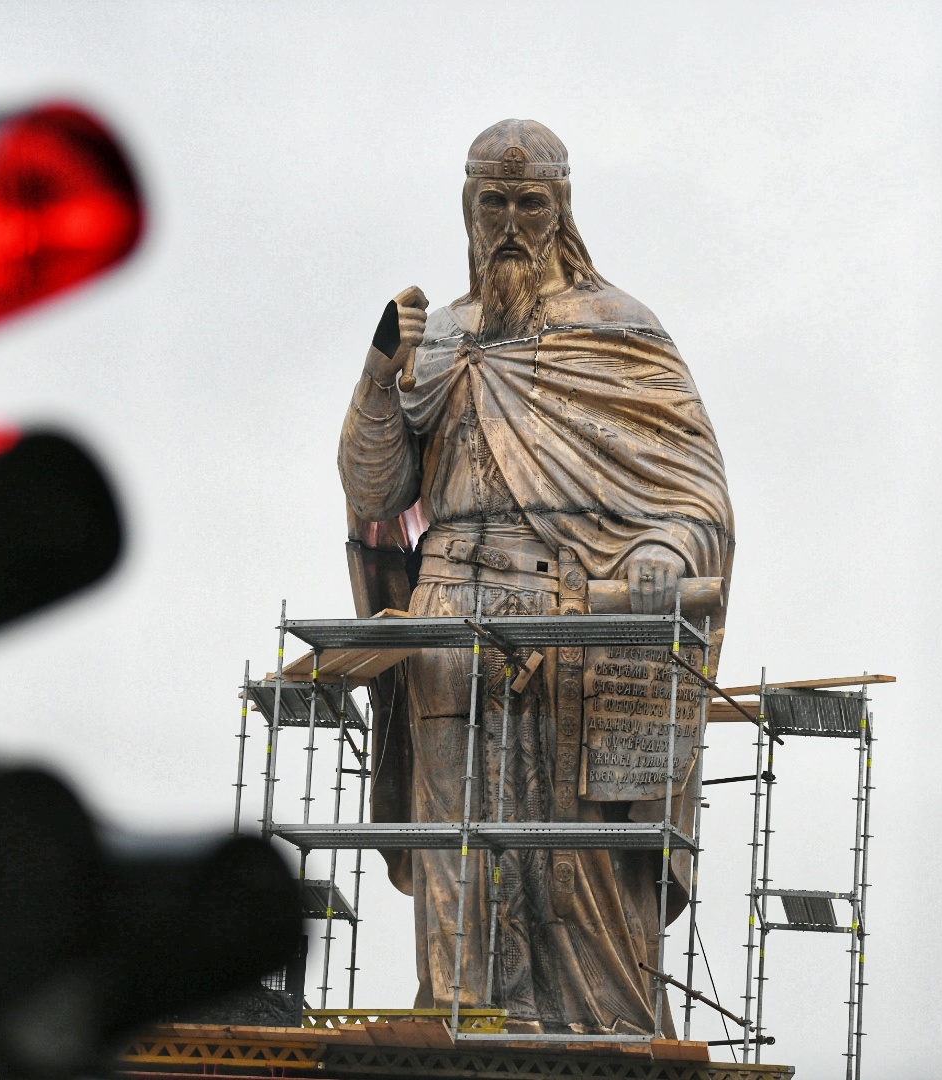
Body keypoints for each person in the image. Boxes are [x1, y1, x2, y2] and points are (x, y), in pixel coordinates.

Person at [338, 119, 735, 1035]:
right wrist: (376, 376)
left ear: (561, 209)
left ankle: (596, 1025)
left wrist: (664, 553)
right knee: (458, 830)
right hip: (446, 607)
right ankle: (463, 1013)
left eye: (531, 202)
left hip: (569, 611)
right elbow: (376, 489)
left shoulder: (619, 331)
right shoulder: (433, 338)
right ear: (469, 211)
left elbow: (695, 494)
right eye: (494, 203)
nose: (511, 221)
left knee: (572, 846)